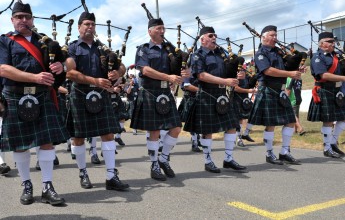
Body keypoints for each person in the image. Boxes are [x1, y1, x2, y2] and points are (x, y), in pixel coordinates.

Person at [0, 2, 68, 205]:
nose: (23, 20)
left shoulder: (45, 42)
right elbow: (3, 69)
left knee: (46, 142)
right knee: (20, 146)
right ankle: (26, 184)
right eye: (19, 17)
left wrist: (60, 66)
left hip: (41, 96)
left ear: (32, 19)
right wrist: (35, 78)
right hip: (15, 95)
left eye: (27, 17)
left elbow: (66, 64)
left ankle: (47, 186)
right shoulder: (5, 41)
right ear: (12, 20)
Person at [66, 11, 129, 191]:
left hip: (101, 96)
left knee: (108, 134)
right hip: (80, 94)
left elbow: (121, 66)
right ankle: (83, 172)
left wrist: (118, 72)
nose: (90, 27)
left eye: (93, 24)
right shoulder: (72, 48)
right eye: (86, 24)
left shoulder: (103, 48)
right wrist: (94, 81)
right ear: (79, 27)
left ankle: (111, 176)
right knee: (78, 137)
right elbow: (69, 73)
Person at [130, 17, 189, 181]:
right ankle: (154, 163)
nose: (162, 31)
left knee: (176, 127)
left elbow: (178, 69)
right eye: (158, 28)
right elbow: (146, 70)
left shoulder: (169, 50)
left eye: (163, 28)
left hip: (165, 91)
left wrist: (184, 73)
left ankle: (164, 158)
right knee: (154, 130)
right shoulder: (144, 49)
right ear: (150, 31)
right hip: (150, 90)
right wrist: (168, 77)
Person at [184, 26, 246, 173]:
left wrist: (240, 73)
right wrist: (225, 82)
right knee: (208, 130)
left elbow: (230, 70)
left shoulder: (221, 54)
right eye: (210, 35)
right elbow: (201, 75)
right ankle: (208, 161)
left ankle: (228, 159)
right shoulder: (197, 55)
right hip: (206, 93)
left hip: (222, 93)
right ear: (202, 39)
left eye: (215, 35)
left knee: (232, 125)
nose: (214, 38)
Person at [248, 25, 304, 165]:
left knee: (291, 121)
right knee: (271, 124)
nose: (275, 38)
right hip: (268, 90)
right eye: (272, 35)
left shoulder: (278, 52)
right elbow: (267, 71)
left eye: (275, 35)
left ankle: (285, 152)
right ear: (264, 37)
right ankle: (269, 153)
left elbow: (286, 66)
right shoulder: (261, 53)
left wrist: (297, 68)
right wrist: (290, 74)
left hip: (280, 91)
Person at [307, 31, 345, 158]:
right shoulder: (317, 57)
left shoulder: (337, 56)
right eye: (330, 41)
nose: (333, 43)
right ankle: (327, 147)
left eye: (333, 41)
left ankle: (333, 142)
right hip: (325, 90)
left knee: (343, 118)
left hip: (337, 91)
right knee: (328, 121)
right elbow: (324, 75)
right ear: (322, 44)